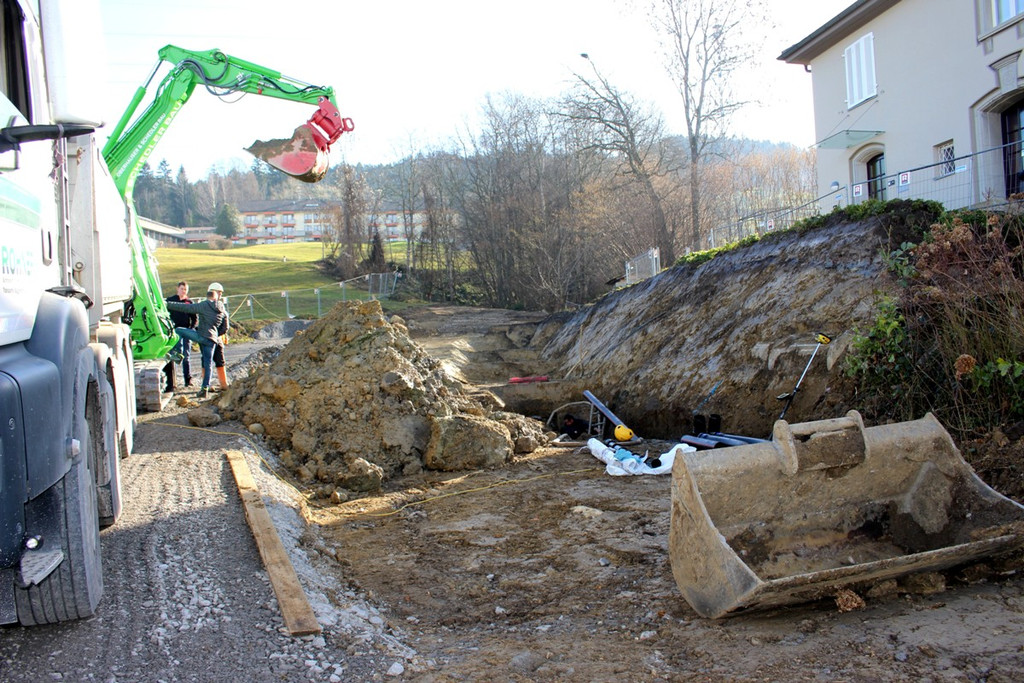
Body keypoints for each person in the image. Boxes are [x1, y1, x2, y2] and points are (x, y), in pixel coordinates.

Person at [166, 282, 228, 399]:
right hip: (213, 340)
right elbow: (225, 325)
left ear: (208, 296)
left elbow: (185, 307)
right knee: (208, 363)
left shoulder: (204, 305)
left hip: (201, 336)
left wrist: (167, 304)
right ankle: (204, 389)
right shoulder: (221, 309)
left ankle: (178, 353)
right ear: (216, 296)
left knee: (179, 330)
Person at [164, 281, 197, 392]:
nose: (183, 291)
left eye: (185, 289)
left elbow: (194, 318)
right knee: (172, 355)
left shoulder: (189, 302)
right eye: (182, 289)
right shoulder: (171, 300)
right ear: (178, 289)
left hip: (186, 331)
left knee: (186, 355)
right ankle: (171, 383)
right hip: (173, 331)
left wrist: (191, 328)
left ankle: (188, 379)